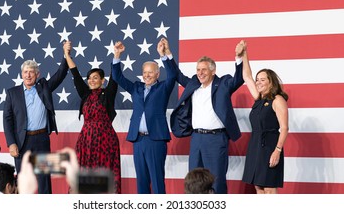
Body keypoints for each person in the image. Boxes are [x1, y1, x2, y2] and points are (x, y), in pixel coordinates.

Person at [170, 40, 245, 194]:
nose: (200, 73)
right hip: (196, 138)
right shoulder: (193, 84)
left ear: (213, 70)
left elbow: (238, 79)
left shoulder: (223, 83)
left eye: (204, 69)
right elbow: (177, 75)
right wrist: (167, 55)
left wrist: (239, 58)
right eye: (198, 69)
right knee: (194, 183)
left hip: (216, 139)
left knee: (216, 182)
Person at [3, 41, 71, 194]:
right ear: (22, 74)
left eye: (31, 72)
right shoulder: (12, 93)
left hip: (41, 139)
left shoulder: (44, 87)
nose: (28, 75)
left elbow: (60, 73)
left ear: (37, 74)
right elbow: (7, 120)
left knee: (44, 179)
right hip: (22, 141)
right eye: (25, 72)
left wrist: (66, 54)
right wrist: (11, 143)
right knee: (22, 180)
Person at [112, 38, 177, 194]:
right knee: (141, 181)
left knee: (157, 180)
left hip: (155, 140)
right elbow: (117, 77)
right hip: (138, 140)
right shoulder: (136, 87)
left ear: (157, 73)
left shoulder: (163, 88)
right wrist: (116, 55)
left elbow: (173, 74)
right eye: (145, 72)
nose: (147, 75)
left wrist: (164, 54)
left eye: (150, 72)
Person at [63, 40, 121, 194]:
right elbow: (75, 74)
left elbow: (115, 78)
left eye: (95, 78)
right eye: (89, 78)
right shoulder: (85, 94)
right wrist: (67, 55)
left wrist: (116, 55)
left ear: (102, 80)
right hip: (86, 141)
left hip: (106, 140)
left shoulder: (107, 94)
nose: (91, 80)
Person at [239, 40, 289, 194]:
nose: (258, 82)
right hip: (255, 145)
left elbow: (285, 128)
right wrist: (244, 54)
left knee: (268, 188)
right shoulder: (259, 99)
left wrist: (277, 150)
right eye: (258, 79)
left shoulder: (278, 100)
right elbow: (247, 76)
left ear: (270, 82)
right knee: (258, 187)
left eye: (262, 80)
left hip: (270, 146)